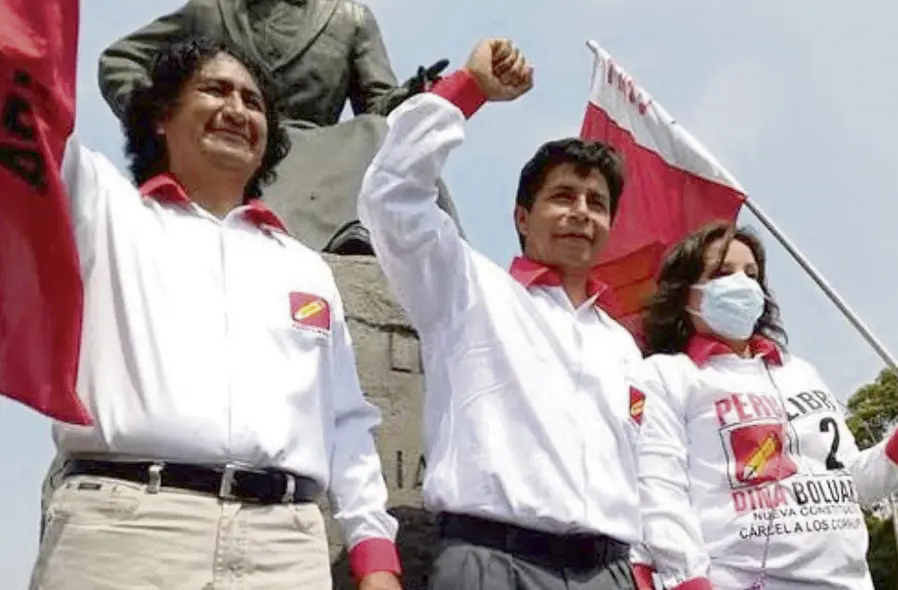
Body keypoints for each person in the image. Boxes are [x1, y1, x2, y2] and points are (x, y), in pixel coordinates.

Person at [5, 4, 401, 589]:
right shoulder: (103, 210)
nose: (237, 110)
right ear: (160, 117)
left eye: (253, 101)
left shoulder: (306, 268)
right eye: (215, 90)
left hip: (283, 545)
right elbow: (26, 104)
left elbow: (345, 421)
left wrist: (375, 556)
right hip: (129, 529)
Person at [358, 37, 647, 590]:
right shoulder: (467, 287)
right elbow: (391, 195)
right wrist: (468, 89)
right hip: (493, 562)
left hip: (609, 570)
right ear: (521, 217)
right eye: (563, 196)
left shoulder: (621, 345)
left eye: (596, 203)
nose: (580, 213)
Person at [628, 222, 898, 590]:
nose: (742, 284)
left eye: (752, 274)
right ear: (684, 294)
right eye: (723, 273)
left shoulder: (800, 372)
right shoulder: (666, 376)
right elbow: (659, 494)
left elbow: (849, 483)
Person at [96, 0, 462, 254]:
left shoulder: (350, 18)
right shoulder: (213, 10)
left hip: (322, 148)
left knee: (375, 132)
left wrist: (412, 95)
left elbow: (377, 105)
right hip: (237, 141)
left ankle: (353, 232)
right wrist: (160, 115)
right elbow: (120, 59)